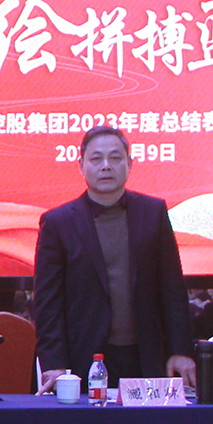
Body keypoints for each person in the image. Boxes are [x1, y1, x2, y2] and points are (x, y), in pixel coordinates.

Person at [34, 126, 195, 390]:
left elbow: (172, 288)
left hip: (145, 353)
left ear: (130, 164)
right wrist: (54, 362)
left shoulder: (153, 212)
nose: (106, 166)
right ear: (81, 166)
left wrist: (180, 349)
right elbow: (48, 301)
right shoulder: (57, 222)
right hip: (84, 356)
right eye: (96, 159)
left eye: (116, 158)